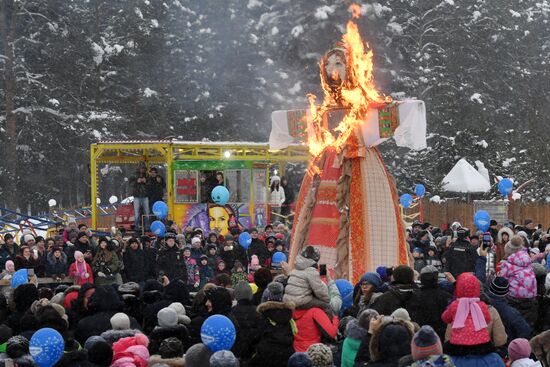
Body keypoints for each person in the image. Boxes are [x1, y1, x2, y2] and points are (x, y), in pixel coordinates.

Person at [130, 162, 150, 231]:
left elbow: (150, 185)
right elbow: (130, 184)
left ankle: (147, 226)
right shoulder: (134, 175)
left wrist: (146, 181)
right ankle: (137, 227)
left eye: (143, 168)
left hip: (145, 196)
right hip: (137, 196)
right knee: (136, 213)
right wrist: (137, 181)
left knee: (146, 212)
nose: (142, 169)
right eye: (141, 168)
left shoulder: (147, 176)